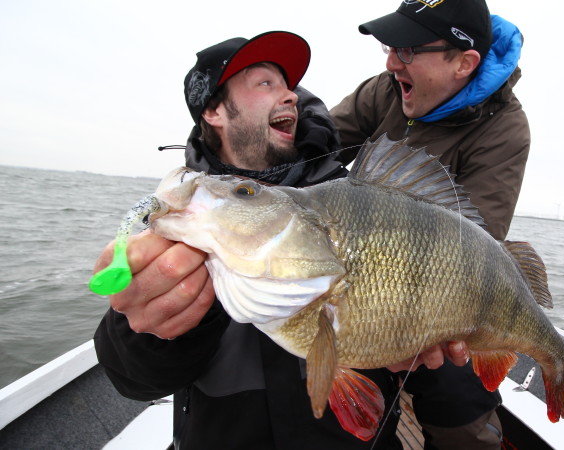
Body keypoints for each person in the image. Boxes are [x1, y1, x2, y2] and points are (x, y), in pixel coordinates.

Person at [93, 31, 428, 449]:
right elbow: (134, 380)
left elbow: (439, 328)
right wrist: (151, 326)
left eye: (289, 85)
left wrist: (419, 344)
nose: (290, 95)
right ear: (215, 110)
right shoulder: (182, 219)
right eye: (266, 83)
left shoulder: (359, 201)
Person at [330, 1, 531, 448]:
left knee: (462, 414)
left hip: (441, 290)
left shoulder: (506, 128)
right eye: (390, 46)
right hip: (357, 273)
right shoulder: (386, 89)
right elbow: (316, 144)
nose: (389, 62)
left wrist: (414, 325)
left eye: (406, 50)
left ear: (464, 62)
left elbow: (475, 241)